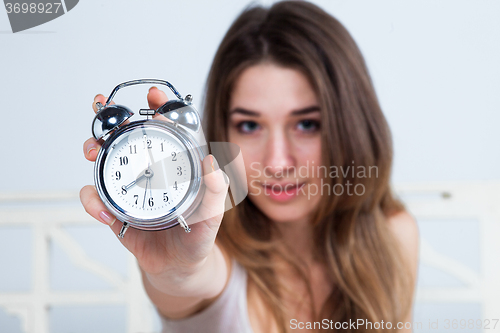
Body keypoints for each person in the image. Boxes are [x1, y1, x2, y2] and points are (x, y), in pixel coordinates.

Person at [81, 1, 419, 332]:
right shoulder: (207, 246)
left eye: (306, 125)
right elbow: (188, 277)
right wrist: (178, 268)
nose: (277, 162)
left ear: (352, 126)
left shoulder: (392, 237)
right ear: (223, 131)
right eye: (249, 126)